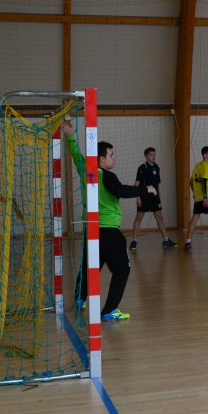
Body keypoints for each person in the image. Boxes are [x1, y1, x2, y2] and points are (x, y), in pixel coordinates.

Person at [63, 122, 144, 320]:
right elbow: (120, 191)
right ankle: (109, 310)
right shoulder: (107, 176)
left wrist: (70, 135)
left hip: (91, 230)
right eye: (111, 155)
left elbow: (76, 154)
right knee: (122, 270)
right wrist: (144, 190)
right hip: (108, 230)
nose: (114, 157)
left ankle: (79, 299)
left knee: (89, 267)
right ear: (101, 159)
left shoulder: (85, 169)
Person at [129, 147, 177, 251]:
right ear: (146, 156)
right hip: (144, 197)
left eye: (154, 154)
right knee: (138, 218)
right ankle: (134, 241)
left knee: (160, 218)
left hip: (154, 198)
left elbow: (157, 185)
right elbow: (136, 184)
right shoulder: (142, 167)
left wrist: (159, 198)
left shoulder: (157, 167)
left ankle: (166, 240)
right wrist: (138, 198)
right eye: (151, 155)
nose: (153, 156)